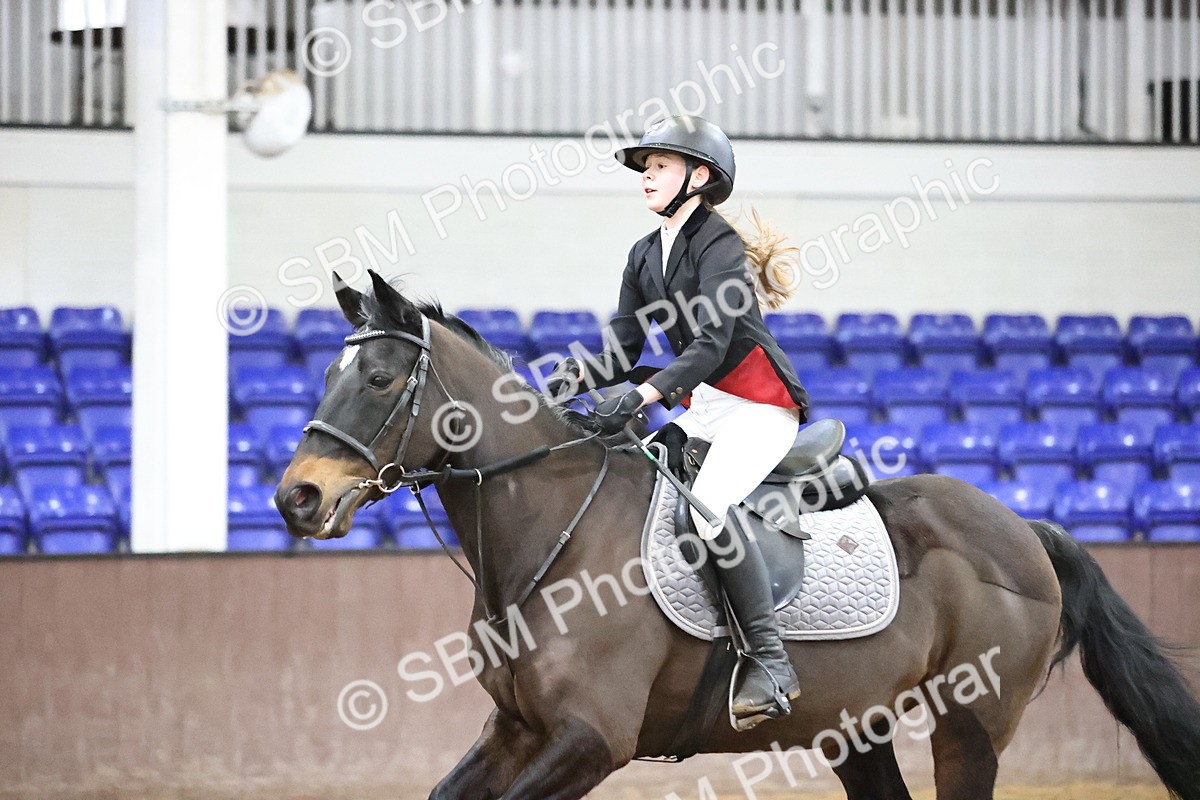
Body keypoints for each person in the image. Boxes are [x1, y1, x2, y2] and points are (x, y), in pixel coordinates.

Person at [546, 115, 809, 728]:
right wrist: (567, 381)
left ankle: (772, 662)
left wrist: (642, 397)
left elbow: (713, 343)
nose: (645, 176)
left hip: (760, 406)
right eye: (644, 167)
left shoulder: (717, 244)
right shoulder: (644, 253)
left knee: (705, 506)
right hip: (712, 405)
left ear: (699, 176)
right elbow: (622, 345)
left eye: (659, 166)